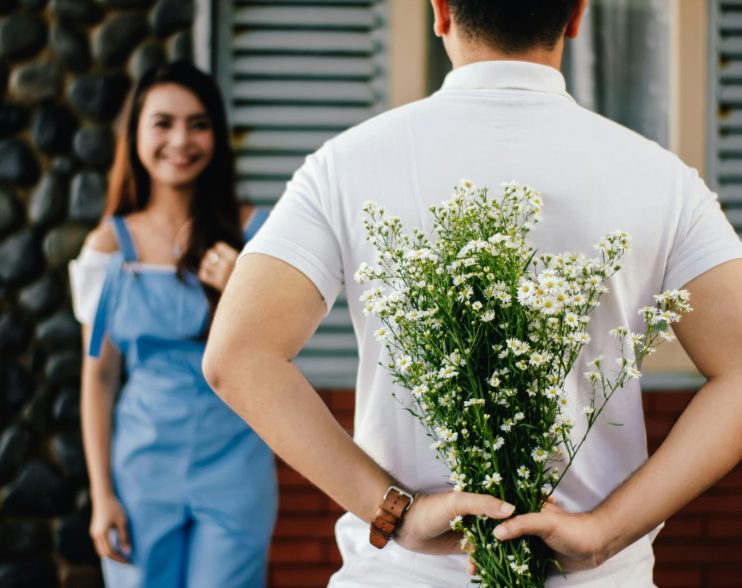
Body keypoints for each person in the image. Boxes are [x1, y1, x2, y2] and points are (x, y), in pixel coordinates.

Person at [202, 1, 742, 586]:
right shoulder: (661, 178)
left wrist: (395, 512)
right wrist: (605, 531)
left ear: (439, 11)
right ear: (577, 16)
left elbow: (238, 356)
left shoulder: (346, 165)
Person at [69, 62, 277, 587]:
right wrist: (102, 496)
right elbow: (98, 377)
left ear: (217, 135)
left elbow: (282, 357)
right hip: (141, 471)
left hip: (237, 467)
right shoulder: (109, 246)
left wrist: (241, 296)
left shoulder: (257, 235)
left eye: (199, 123)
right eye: (163, 123)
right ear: (136, 132)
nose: (180, 140)